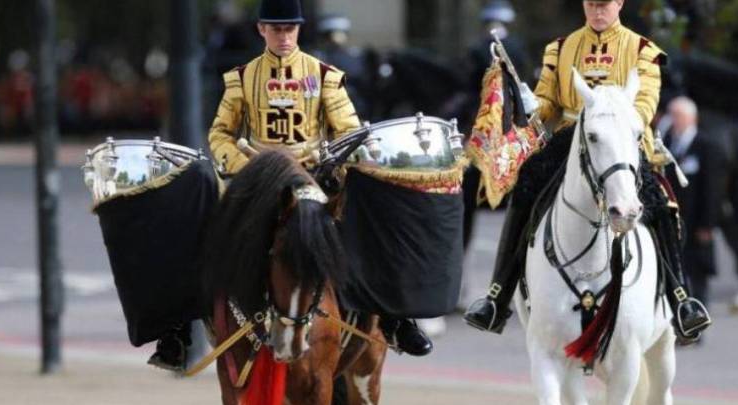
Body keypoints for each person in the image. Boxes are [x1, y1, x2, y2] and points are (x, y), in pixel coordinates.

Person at [463, 0, 712, 343]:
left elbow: (645, 105)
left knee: (661, 201)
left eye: (605, 5)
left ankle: (681, 299)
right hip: (570, 138)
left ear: (619, 4)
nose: (598, 12)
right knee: (526, 188)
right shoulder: (560, 48)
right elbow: (548, 100)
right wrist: (535, 104)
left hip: (622, 141)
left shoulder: (642, 50)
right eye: (592, 4)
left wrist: (616, 127)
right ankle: (497, 296)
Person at [204, 0, 434, 358]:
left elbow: (350, 132)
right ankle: (189, 322)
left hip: (312, 177)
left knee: (369, 227)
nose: (284, 36)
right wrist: (241, 164)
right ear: (262, 30)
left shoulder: (324, 76)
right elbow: (219, 134)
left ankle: (394, 318)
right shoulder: (241, 78)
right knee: (209, 234)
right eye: (277, 29)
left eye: (290, 29)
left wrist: (335, 164)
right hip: (258, 177)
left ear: (299, 30)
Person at [663, 96, 720, 308]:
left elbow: (713, 190)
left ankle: (699, 316)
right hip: (674, 222)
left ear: (691, 118)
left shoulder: (706, 146)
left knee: (698, 272)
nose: (673, 120)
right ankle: (680, 317)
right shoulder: (667, 144)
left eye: (678, 115)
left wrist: (708, 224)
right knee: (677, 271)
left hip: (697, 222)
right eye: (672, 115)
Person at [312, 14, 372, 119]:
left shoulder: (354, 56)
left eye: (340, 33)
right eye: (332, 34)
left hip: (355, 108)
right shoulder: (317, 57)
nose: (337, 38)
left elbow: (363, 81)